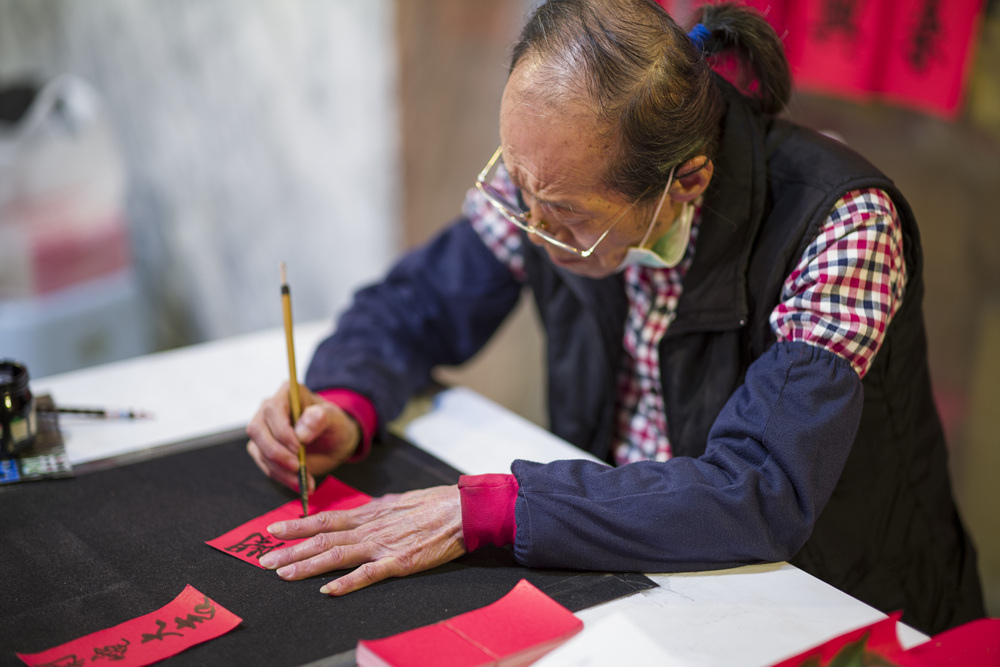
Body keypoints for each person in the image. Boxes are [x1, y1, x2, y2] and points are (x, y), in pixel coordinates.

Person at [245, 0, 985, 635]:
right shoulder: (552, 171)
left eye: (564, 216)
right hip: (625, 566)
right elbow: (418, 304)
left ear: (686, 180)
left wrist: (497, 509)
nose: (530, 225)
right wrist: (342, 400)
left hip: (832, 605)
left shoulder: (838, 223)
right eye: (519, 185)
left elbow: (758, 487)